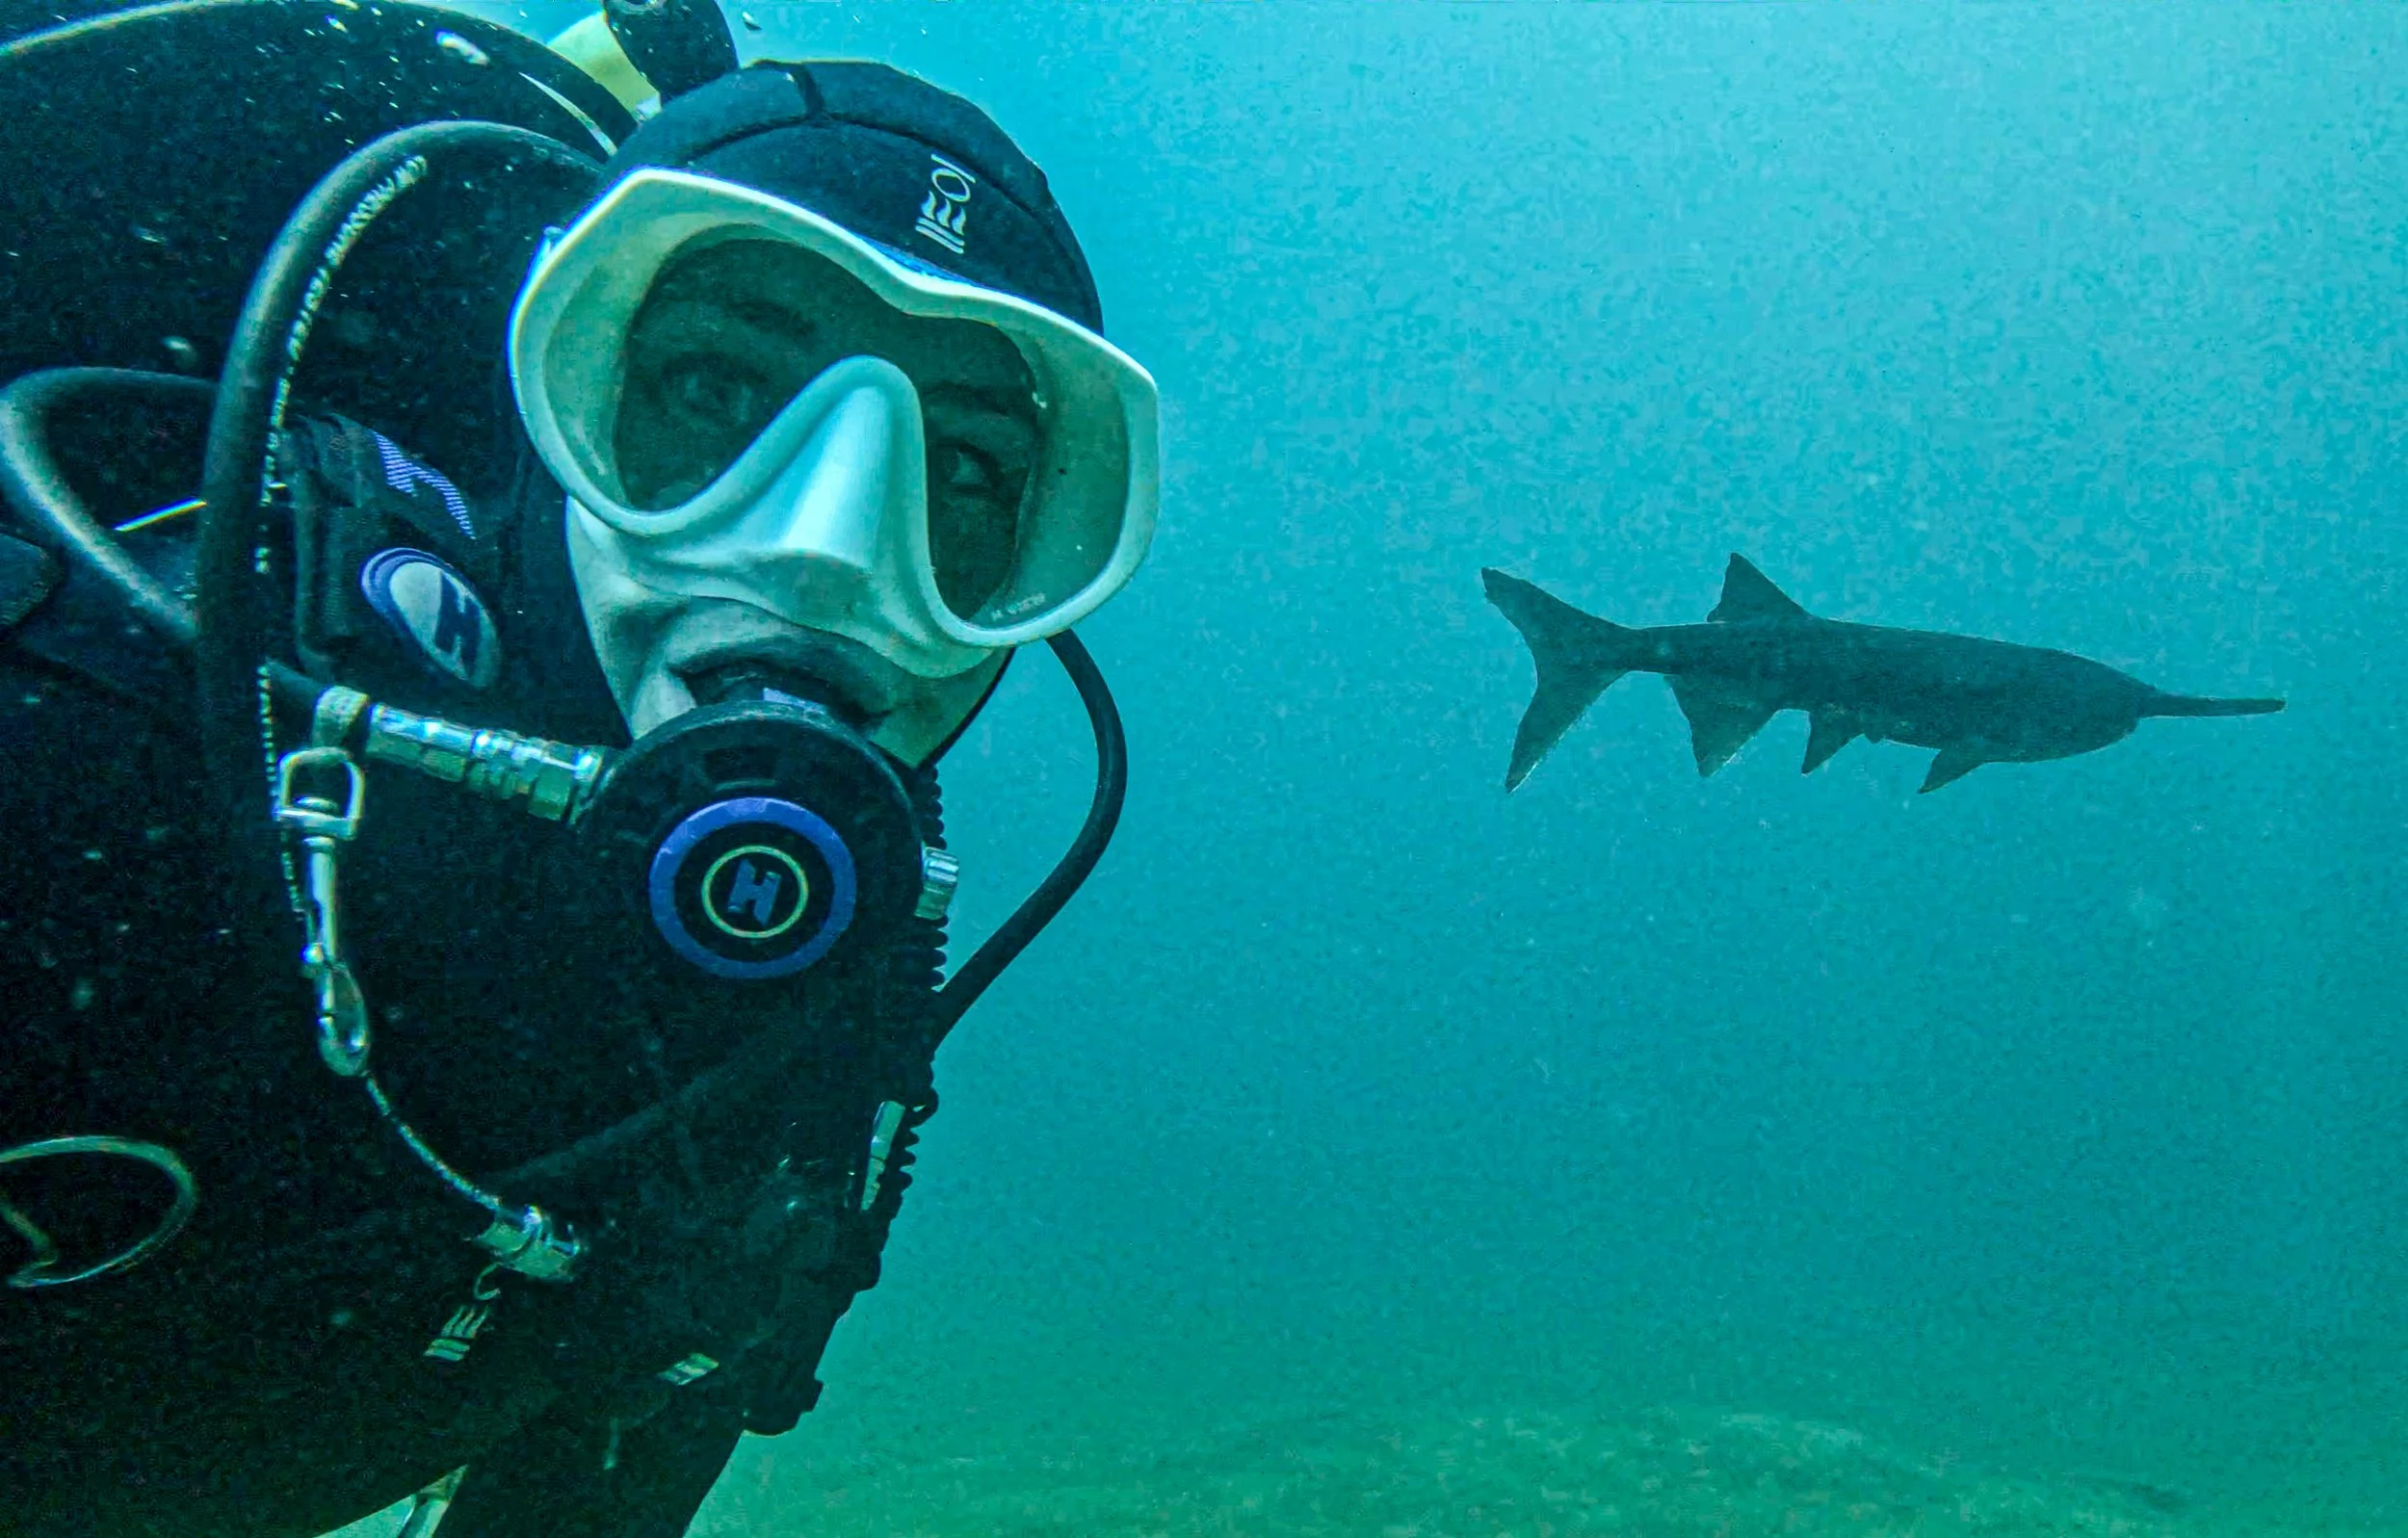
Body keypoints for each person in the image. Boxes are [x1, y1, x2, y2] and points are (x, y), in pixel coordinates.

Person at [0, 2, 1158, 1533]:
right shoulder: (109, 732)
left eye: (960, 474)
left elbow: (626, 1428)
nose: (826, 552)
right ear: (556, 394)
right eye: (715, 391)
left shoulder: (818, 972)